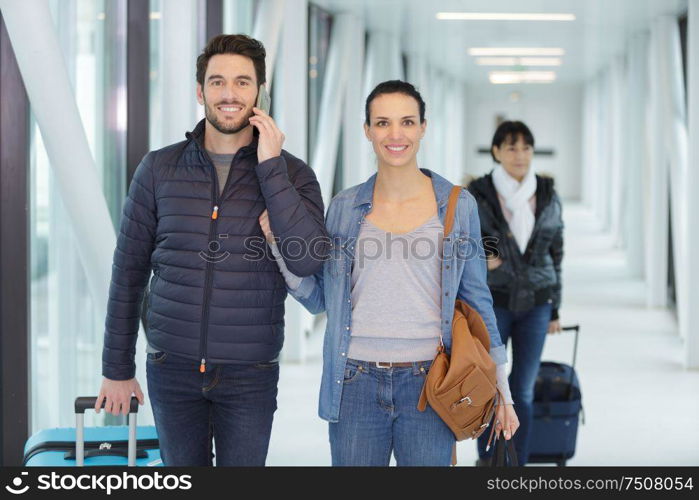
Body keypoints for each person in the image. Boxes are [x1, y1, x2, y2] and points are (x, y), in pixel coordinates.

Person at [95, 34, 328, 466]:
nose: (229, 93)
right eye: (217, 81)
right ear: (200, 91)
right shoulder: (159, 169)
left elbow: (309, 259)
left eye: (243, 82)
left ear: (259, 92)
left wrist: (271, 168)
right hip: (171, 366)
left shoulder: (293, 174)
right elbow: (128, 273)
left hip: (250, 373)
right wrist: (116, 368)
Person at [260, 80, 518, 466]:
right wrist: (278, 245)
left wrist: (504, 392)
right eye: (382, 123)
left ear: (423, 128)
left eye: (407, 122)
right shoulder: (344, 207)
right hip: (354, 383)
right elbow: (319, 299)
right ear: (367, 131)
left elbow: (479, 300)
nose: (395, 135)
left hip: (431, 384)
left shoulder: (456, 205)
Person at [469, 120, 564, 466]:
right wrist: (483, 256)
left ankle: (516, 465)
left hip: (537, 304)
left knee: (522, 389)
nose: (519, 154)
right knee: (488, 385)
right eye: (511, 147)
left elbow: (556, 251)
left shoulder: (548, 191)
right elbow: (465, 239)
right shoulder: (478, 192)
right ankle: (487, 461)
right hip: (492, 303)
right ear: (496, 152)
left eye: (525, 147)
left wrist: (555, 309)